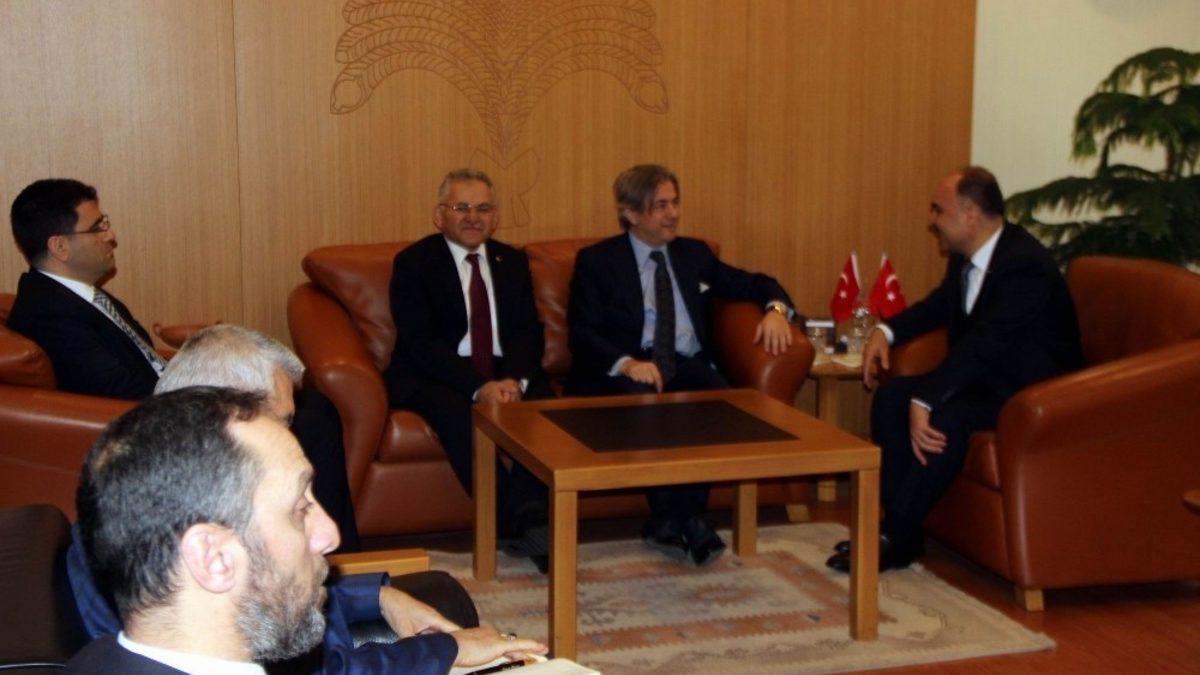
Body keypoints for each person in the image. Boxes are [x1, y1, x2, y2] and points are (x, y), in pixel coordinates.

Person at [64, 387, 546, 674]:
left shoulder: (104, 658)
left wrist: (442, 648)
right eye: (300, 509)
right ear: (213, 557)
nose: (331, 534)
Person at [6, 178, 361, 550]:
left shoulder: (77, 297)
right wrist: (211, 381)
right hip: (152, 425)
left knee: (310, 404)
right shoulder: (50, 312)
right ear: (60, 246)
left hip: (164, 401)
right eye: (98, 227)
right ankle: (336, 553)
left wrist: (196, 352)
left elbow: (139, 369)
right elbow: (119, 390)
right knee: (313, 419)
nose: (111, 235)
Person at [825, 166, 1082, 573]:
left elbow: (987, 343)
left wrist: (929, 397)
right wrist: (885, 331)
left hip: (1029, 394)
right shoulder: (967, 256)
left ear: (970, 214)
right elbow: (937, 307)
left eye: (938, 211)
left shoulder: (1024, 266)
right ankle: (900, 533)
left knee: (945, 417)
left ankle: (895, 534)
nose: (932, 221)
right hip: (986, 379)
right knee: (892, 397)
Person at [566, 164, 797, 566]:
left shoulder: (693, 254)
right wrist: (626, 363)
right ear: (631, 213)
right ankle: (688, 520)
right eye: (660, 206)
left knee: (720, 400)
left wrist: (776, 310)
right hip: (631, 367)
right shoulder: (598, 261)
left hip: (685, 363)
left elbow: (756, 282)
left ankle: (673, 520)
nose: (673, 214)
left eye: (674, 203)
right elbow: (582, 332)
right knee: (645, 401)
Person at [384, 169, 552, 571]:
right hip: (436, 372)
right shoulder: (415, 262)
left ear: (495, 217)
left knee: (545, 407)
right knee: (460, 413)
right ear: (439, 215)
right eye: (462, 208)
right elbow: (420, 342)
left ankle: (529, 515)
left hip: (503, 368)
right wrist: (479, 387)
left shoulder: (511, 261)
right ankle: (517, 522)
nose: (473, 217)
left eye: (483, 209)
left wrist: (514, 380)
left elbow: (528, 331)